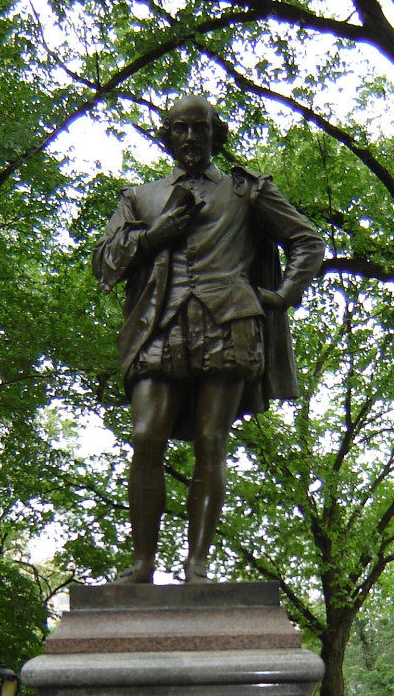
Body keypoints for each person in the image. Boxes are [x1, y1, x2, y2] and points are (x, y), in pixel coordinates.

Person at [93, 95, 324, 583]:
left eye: (200, 128)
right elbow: (105, 263)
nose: (190, 137)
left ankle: (197, 566)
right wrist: (152, 235)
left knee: (210, 441)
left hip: (229, 323)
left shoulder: (247, 191)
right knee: (145, 436)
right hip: (159, 324)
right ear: (168, 136)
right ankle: (142, 564)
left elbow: (308, 240)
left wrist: (282, 295)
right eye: (180, 129)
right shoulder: (140, 197)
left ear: (216, 134)